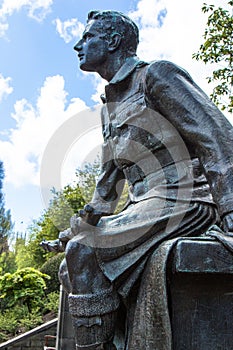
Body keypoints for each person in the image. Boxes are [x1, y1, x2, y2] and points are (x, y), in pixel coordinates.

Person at [42, 10, 233, 350]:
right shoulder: (109, 109)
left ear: (113, 41)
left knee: (85, 252)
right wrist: (75, 228)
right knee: (73, 263)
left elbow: (215, 135)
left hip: (185, 200)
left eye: (87, 38)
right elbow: (106, 190)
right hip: (143, 207)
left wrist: (230, 205)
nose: (77, 46)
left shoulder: (157, 76)